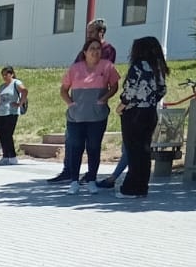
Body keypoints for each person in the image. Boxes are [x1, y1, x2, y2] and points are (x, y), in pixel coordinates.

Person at [50, 38, 120, 193]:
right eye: (91, 49)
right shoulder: (75, 68)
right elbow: (63, 90)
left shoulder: (107, 66)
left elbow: (115, 86)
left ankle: (91, 180)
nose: (95, 52)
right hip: (76, 116)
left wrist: (103, 99)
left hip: (97, 116)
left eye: (98, 48)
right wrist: (70, 104)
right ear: (85, 52)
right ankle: (74, 181)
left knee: (94, 147)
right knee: (76, 147)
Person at [116, 37, 168, 199]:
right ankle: (141, 187)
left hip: (134, 113)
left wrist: (122, 105)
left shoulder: (138, 66)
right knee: (144, 150)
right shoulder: (158, 67)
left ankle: (130, 188)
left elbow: (130, 90)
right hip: (150, 112)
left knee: (133, 151)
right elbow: (162, 90)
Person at [0, 67, 27, 166]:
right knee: (2, 135)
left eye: (6, 74)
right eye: (2, 75)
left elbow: (24, 91)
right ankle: (5, 156)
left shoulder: (16, 83)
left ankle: (12, 156)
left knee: (8, 134)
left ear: (11, 74)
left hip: (11, 113)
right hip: (0, 113)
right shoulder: (2, 86)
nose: (4, 77)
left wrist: (20, 103)